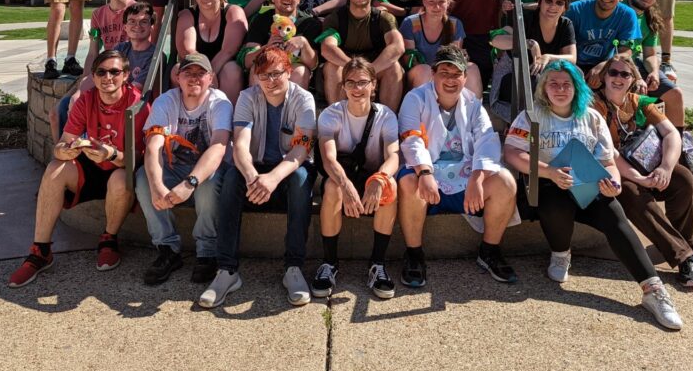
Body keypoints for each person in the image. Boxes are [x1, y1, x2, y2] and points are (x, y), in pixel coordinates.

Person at [503, 61, 684, 330]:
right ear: (543, 87)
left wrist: (613, 182)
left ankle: (652, 289)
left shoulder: (591, 117)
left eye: (567, 84)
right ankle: (561, 253)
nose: (560, 89)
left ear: (577, 88)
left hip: (588, 185)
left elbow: (608, 160)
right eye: (553, 83)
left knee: (613, 213)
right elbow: (513, 152)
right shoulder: (532, 116)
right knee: (555, 203)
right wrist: (549, 171)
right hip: (550, 183)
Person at [8, 50, 148, 288]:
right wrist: (65, 150)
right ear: (93, 77)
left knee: (121, 178)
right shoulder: (86, 100)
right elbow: (63, 142)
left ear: (125, 75)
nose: (108, 77)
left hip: (120, 166)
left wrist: (111, 153)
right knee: (55, 168)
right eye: (101, 72)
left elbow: (138, 158)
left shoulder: (137, 104)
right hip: (90, 164)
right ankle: (40, 250)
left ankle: (108, 239)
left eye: (115, 72)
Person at [199, 46, 318, 309]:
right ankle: (227, 270)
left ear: (289, 72)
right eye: (264, 76)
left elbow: (301, 148)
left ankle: (294, 268)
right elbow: (240, 146)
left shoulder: (304, 99)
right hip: (255, 168)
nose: (271, 81)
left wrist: (272, 179)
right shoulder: (247, 97)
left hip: (287, 168)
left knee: (300, 179)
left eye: (276, 74)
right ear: (255, 77)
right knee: (231, 179)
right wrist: (254, 178)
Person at [397, 45, 520, 287]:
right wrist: (425, 172)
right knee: (409, 181)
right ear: (433, 74)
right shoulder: (415, 99)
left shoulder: (473, 105)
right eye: (445, 72)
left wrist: (477, 177)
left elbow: (487, 141)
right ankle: (414, 255)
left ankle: (489, 251)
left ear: (465, 76)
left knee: (505, 181)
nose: (451, 80)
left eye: (457, 74)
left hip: (463, 176)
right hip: (428, 173)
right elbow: (411, 139)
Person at [592, 55, 693, 288]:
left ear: (633, 79)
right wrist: (640, 179)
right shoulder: (594, 106)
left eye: (625, 74)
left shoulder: (640, 102)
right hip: (614, 171)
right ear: (604, 77)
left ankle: (685, 238)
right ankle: (684, 257)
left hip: (647, 164)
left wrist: (666, 167)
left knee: (683, 178)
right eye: (613, 72)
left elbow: (671, 133)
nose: (618, 78)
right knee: (630, 192)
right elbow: (609, 153)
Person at [135, 53, 233, 286]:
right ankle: (167, 248)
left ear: (211, 78)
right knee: (142, 178)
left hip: (207, 167)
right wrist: (157, 185)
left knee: (207, 185)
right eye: (188, 74)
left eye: (200, 74)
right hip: (174, 165)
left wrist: (190, 183)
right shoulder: (166, 101)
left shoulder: (219, 103)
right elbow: (154, 146)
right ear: (178, 78)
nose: (194, 79)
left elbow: (219, 146)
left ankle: (207, 251)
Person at [313, 58, 401, 300]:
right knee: (332, 187)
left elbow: (394, 155)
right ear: (343, 87)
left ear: (374, 85)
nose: (357, 88)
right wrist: (347, 186)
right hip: (342, 175)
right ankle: (330, 263)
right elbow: (329, 159)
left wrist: (380, 179)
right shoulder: (331, 115)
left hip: (371, 173)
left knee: (391, 185)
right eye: (350, 82)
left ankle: (378, 265)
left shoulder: (386, 115)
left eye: (363, 82)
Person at [50, 0, 136, 141]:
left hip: (124, 72)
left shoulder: (136, 11)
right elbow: (93, 52)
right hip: (102, 70)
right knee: (56, 112)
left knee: (75, 102)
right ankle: (64, 155)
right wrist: (85, 78)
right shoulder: (98, 15)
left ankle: (77, 152)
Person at [319, 0, 405, 112]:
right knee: (332, 66)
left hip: (374, 67)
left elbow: (397, 46)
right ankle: (337, 117)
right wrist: (355, 70)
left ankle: (387, 121)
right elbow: (328, 48)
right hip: (346, 66)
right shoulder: (335, 18)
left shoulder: (384, 18)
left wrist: (368, 73)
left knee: (394, 67)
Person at [489, 0, 577, 124]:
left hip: (543, 82)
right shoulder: (525, 19)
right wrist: (530, 44)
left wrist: (546, 57)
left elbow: (572, 58)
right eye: (548, 0)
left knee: (574, 74)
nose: (553, 6)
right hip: (512, 79)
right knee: (535, 80)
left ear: (565, 7)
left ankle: (567, 120)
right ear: (539, 2)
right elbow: (496, 40)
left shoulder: (566, 25)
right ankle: (527, 124)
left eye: (559, 2)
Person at [175, 0, 248, 107]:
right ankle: (187, 118)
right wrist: (203, 73)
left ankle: (228, 120)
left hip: (224, 65)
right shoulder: (188, 15)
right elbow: (187, 50)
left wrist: (211, 73)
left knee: (232, 70)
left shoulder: (233, 11)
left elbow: (229, 50)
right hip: (197, 65)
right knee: (177, 70)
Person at [399, 0, 482, 96]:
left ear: (448, 2)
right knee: (425, 70)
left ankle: (474, 112)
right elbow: (410, 60)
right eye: (431, 1)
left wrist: (442, 74)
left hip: (445, 71)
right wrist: (436, 75)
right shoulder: (411, 23)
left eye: (441, 2)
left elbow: (454, 59)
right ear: (424, 1)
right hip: (419, 74)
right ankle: (424, 110)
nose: (436, 7)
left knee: (472, 69)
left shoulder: (455, 24)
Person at [624, 0, 686, 130]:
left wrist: (654, 73)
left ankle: (678, 145)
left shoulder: (649, 19)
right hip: (618, 63)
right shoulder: (620, 11)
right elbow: (622, 54)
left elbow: (650, 54)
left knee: (675, 94)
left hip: (636, 63)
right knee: (635, 99)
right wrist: (638, 78)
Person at [241, 0, 321, 88]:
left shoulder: (309, 23)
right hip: (267, 66)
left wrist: (304, 44)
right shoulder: (261, 20)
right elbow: (248, 61)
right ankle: (258, 105)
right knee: (256, 69)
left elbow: (313, 65)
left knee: (301, 71)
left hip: (293, 70)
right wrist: (266, 47)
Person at [565, 0, 640, 85]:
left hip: (607, 64)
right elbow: (562, 46)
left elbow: (626, 52)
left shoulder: (627, 15)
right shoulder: (575, 10)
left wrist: (605, 65)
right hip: (574, 63)